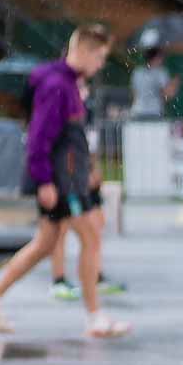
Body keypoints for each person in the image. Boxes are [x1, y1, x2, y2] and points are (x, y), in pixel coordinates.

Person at [0, 24, 130, 339]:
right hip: (59, 180)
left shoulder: (70, 84)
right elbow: (39, 137)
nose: (101, 64)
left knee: (45, 244)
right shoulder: (56, 85)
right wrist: (45, 181)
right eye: (99, 57)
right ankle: (95, 317)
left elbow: (72, 137)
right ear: (83, 51)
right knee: (90, 238)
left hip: (68, 178)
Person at [49, 78, 127, 302]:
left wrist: (95, 168)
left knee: (95, 226)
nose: (83, 90)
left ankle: (95, 277)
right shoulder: (59, 105)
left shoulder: (87, 109)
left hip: (83, 180)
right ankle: (58, 280)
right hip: (66, 181)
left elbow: (89, 144)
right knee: (58, 232)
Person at [129, 43, 179, 119]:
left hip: (137, 111)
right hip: (155, 113)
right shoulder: (161, 72)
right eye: (161, 57)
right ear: (156, 57)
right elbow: (167, 95)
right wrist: (175, 84)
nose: (163, 59)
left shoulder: (137, 72)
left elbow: (134, 94)